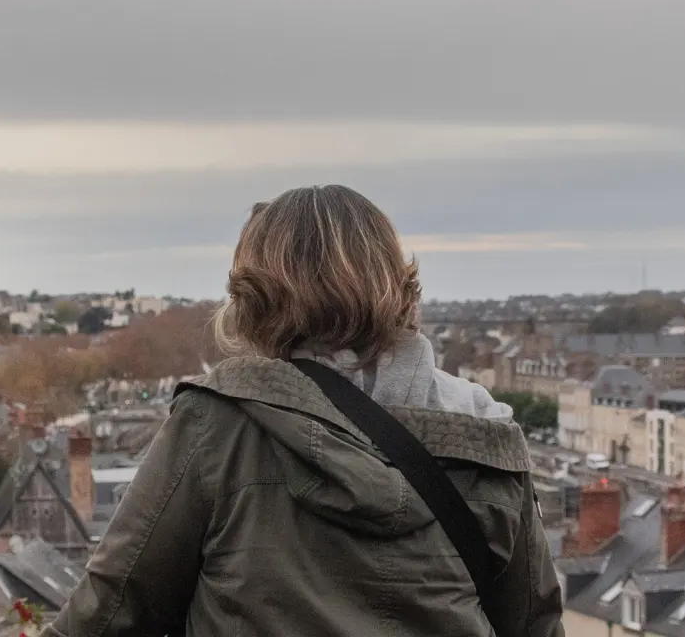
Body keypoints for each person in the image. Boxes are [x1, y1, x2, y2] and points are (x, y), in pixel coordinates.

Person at [47, 185, 563, 636]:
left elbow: (111, 610)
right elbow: (534, 624)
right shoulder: (484, 431)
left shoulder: (218, 426)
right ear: (395, 282)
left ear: (254, 293)